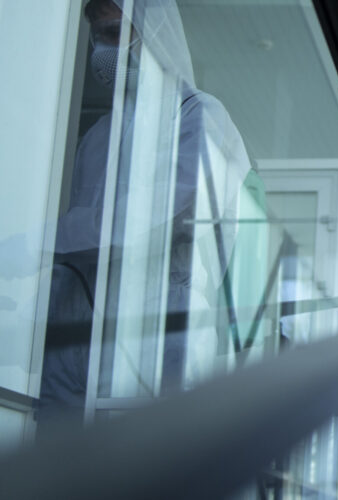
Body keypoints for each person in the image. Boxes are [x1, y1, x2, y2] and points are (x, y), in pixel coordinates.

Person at [36, 0, 253, 430]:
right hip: (78, 331)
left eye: (117, 33)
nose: (104, 50)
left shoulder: (198, 116)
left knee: (151, 466)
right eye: (100, 36)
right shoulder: (97, 137)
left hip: (160, 327)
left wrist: (43, 240)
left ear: (153, 38)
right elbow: (82, 247)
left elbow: (153, 217)